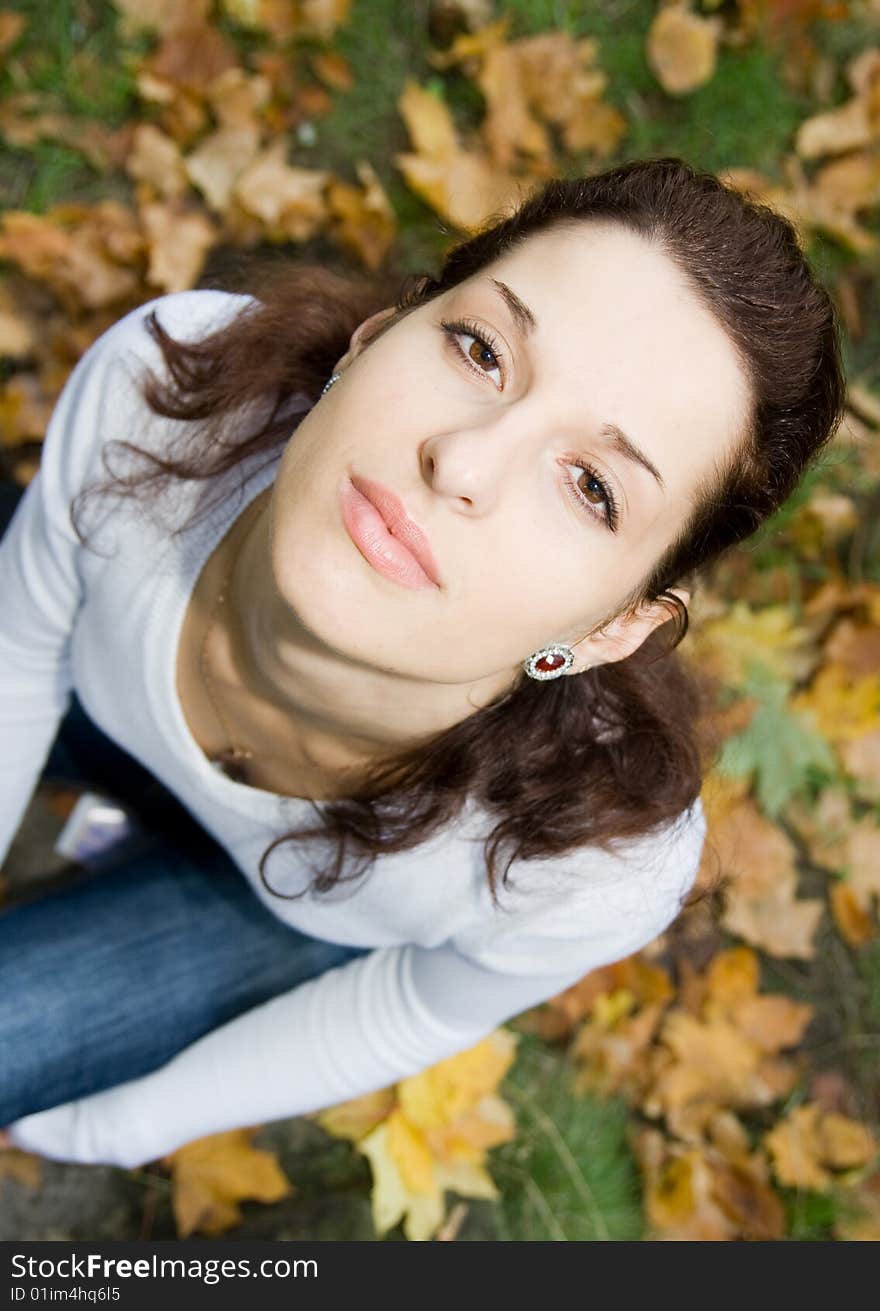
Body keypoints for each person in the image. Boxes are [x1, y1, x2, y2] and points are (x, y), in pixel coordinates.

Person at [0, 158, 846, 1169]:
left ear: (615, 626)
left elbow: (408, 1005)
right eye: (482, 350)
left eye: (591, 487)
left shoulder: (587, 860)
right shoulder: (165, 390)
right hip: (76, 679)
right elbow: (16, 648)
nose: (464, 460)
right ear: (375, 336)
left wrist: (126, 1122)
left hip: (284, 894)